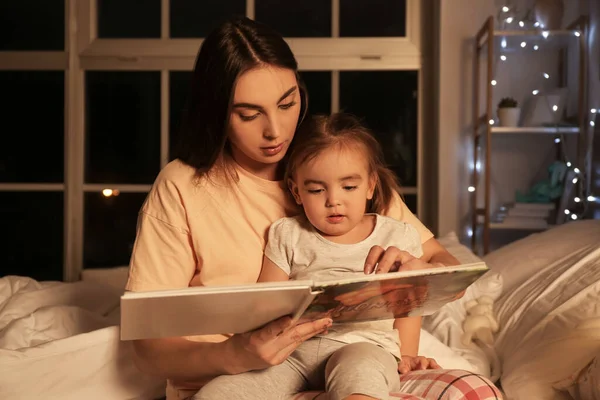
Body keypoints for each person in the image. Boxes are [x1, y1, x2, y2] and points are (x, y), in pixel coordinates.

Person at [125, 16, 503, 400]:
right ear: (216, 112)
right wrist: (235, 353)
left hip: (355, 367)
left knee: (474, 391)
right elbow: (147, 349)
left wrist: (422, 274)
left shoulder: (337, 163)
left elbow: (448, 273)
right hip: (245, 379)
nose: (275, 130)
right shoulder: (183, 186)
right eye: (249, 114)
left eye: (287, 103)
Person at [195, 113, 441, 400]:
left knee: (360, 378)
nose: (333, 200)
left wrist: (407, 355)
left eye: (349, 187)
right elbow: (268, 301)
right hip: (292, 353)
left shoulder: (398, 236)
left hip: (364, 346)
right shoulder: (286, 233)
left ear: (370, 185)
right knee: (217, 394)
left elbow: (408, 305)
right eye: (316, 189)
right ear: (296, 191)